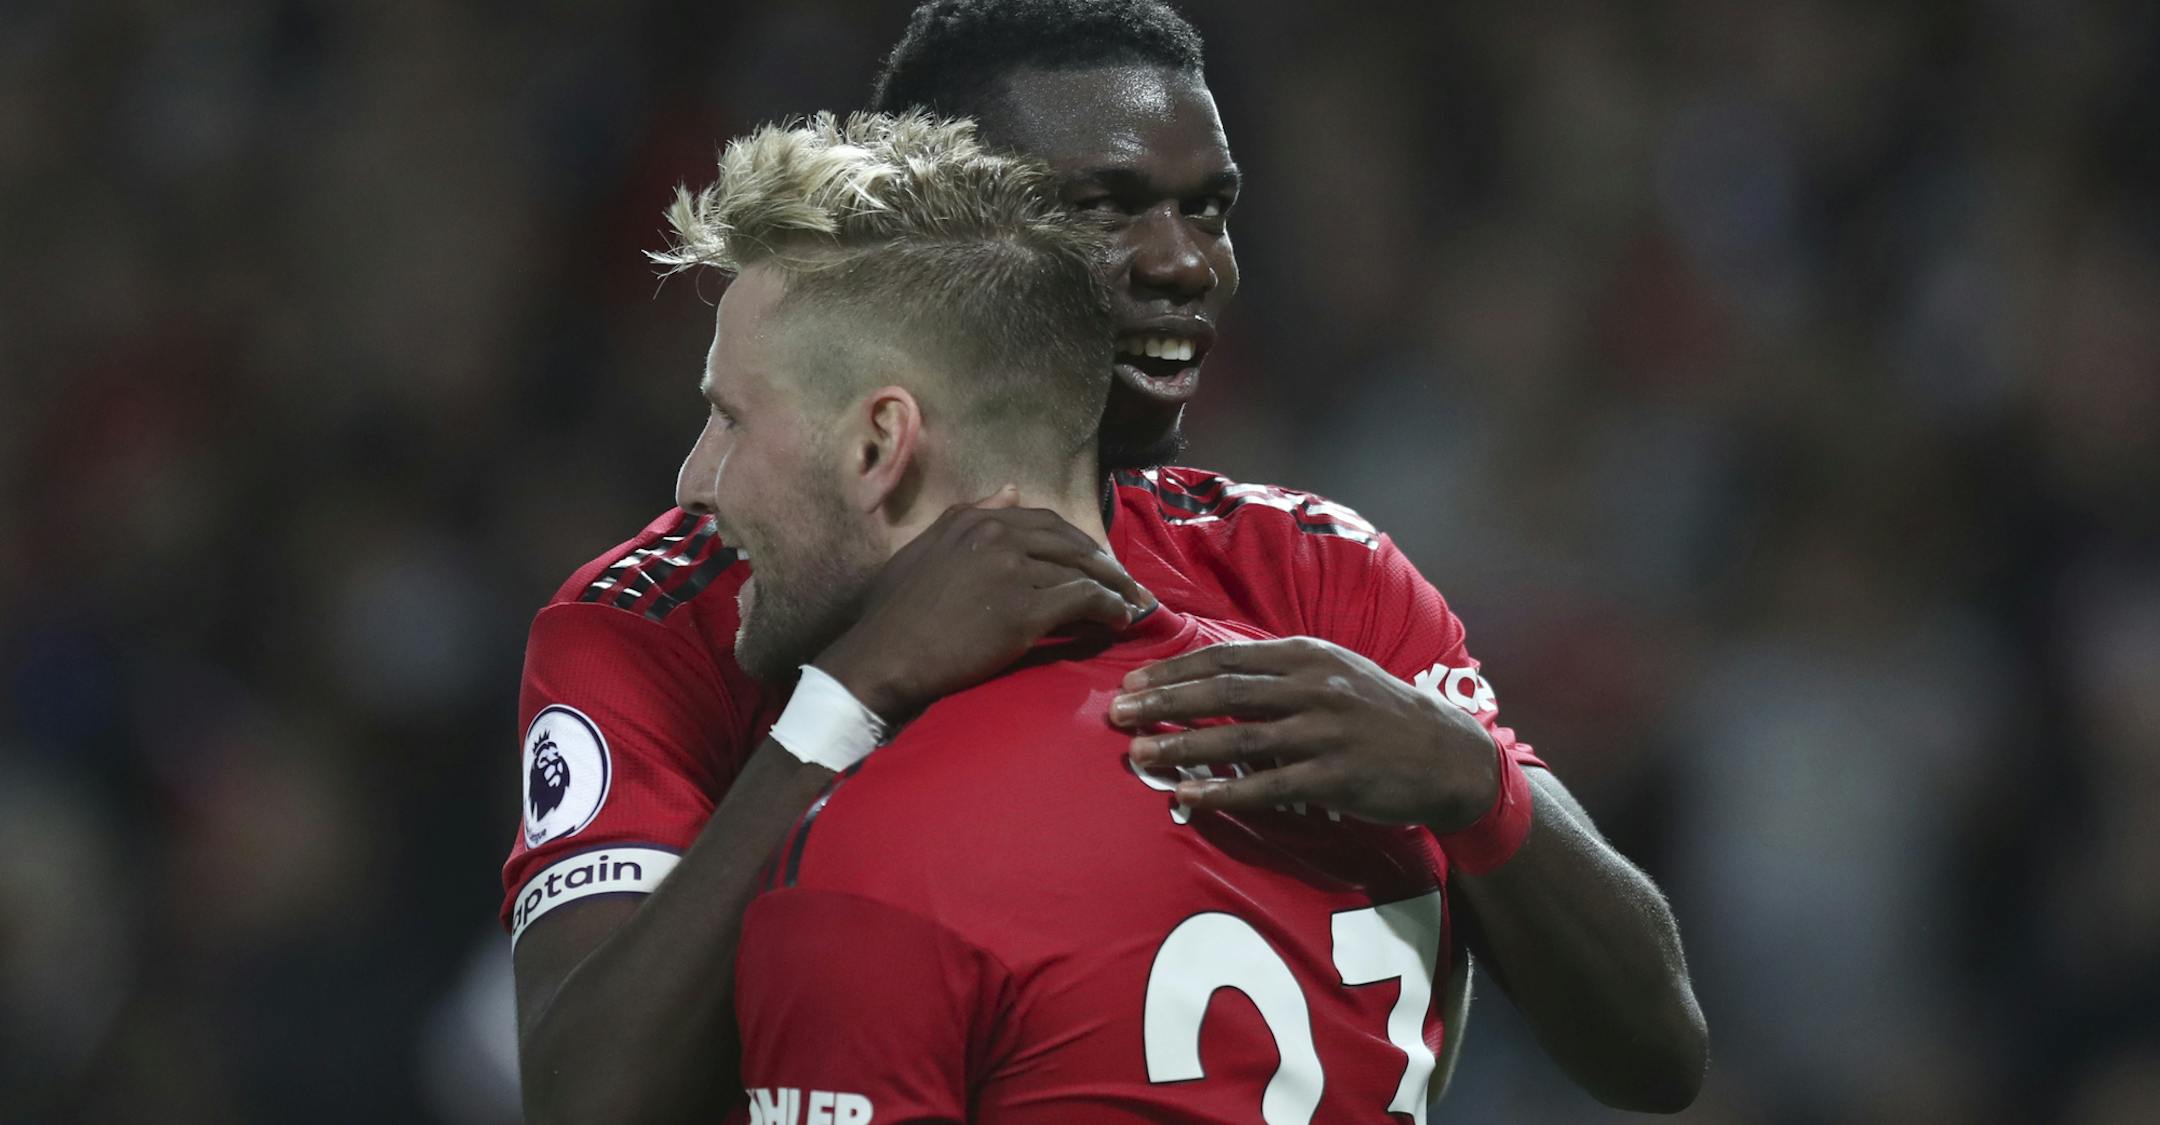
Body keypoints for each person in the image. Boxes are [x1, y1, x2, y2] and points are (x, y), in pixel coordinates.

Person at [507, 3, 1704, 1122]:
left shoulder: (1311, 575)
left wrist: (1469, 778)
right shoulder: (669, 618)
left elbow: (1656, 1051)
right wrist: (845, 701)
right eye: (1107, 208)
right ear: (945, 220)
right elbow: (583, 1091)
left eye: (1211, 209)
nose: (1188, 262)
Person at [676, 112, 1486, 1121]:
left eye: (732, 418)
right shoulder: (1352, 780)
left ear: (883, 442)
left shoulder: (876, 860)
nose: (695, 479)